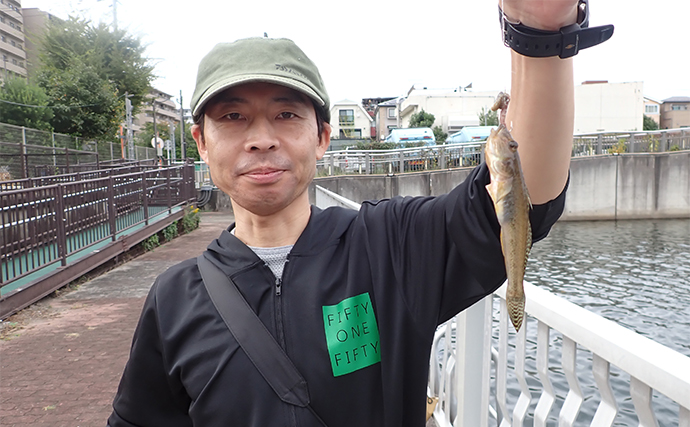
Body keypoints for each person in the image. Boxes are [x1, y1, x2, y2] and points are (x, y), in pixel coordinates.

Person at [108, 2, 611, 425]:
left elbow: (521, 202)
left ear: (322, 136)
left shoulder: (390, 245)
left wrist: (540, 30)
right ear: (200, 141)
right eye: (232, 117)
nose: (261, 138)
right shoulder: (174, 301)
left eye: (286, 114)